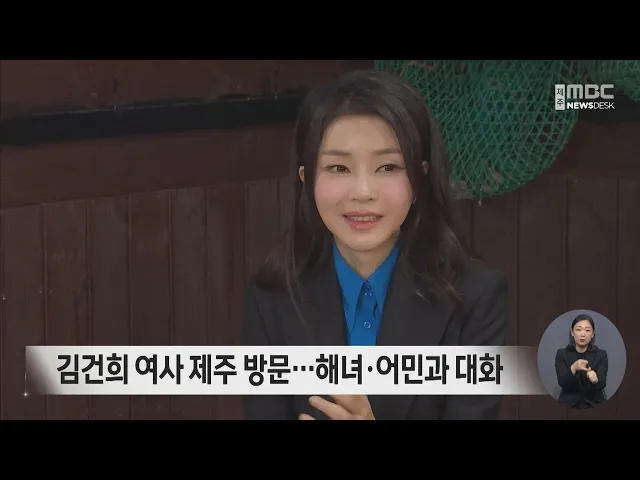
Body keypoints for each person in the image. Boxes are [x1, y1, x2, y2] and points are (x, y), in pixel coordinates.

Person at [241, 69, 508, 420]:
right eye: (339, 168)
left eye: (388, 167)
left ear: (420, 177)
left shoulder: (475, 297)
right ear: (306, 180)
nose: (363, 192)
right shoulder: (271, 298)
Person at [555, 314, 608, 409]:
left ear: (592, 334)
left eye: (587, 330)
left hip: (594, 404)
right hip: (569, 405)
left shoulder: (601, 354)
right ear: (572, 332)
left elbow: (602, 383)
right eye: (578, 329)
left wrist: (595, 380)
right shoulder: (562, 354)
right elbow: (562, 382)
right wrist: (573, 368)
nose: (583, 334)